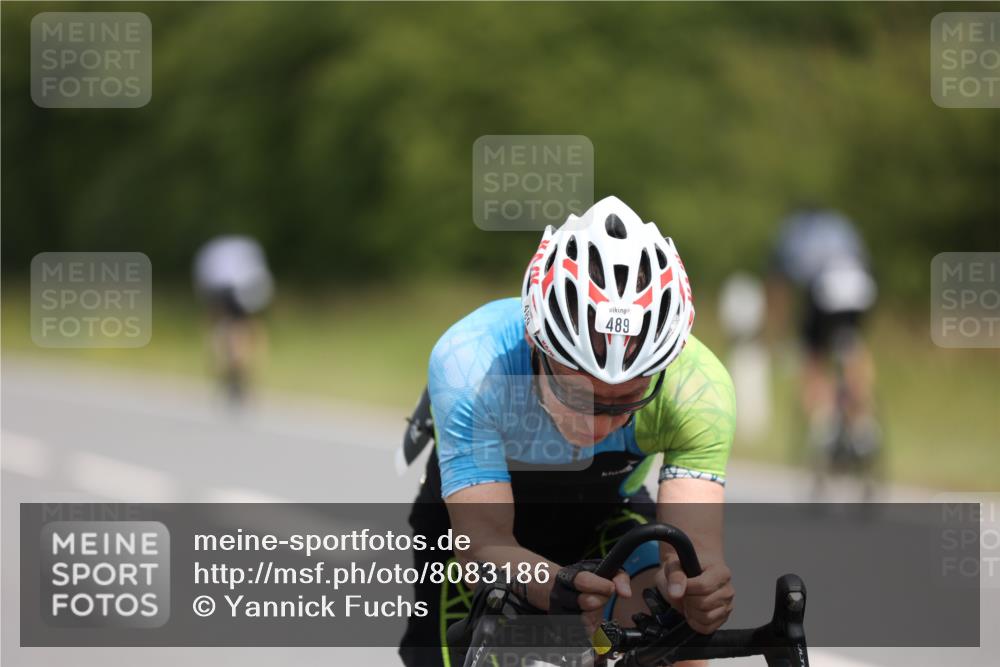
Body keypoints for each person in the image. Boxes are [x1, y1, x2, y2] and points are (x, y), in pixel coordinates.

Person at [398, 196, 736, 667]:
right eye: (579, 396)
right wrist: (551, 589)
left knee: (677, 642)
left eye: (627, 402)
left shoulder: (699, 388)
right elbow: (483, 546)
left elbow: (689, 554)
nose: (599, 423)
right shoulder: (472, 363)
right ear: (538, 349)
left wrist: (695, 592)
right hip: (479, 523)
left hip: (603, 512)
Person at [767, 208, 879, 461]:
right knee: (853, 347)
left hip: (824, 287)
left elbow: (780, 285)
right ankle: (864, 424)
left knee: (812, 355)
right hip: (860, 286)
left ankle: (824, 423)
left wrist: (782, 331)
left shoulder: (793, 230)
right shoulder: (842, 223)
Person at [192, 234, 274, 406]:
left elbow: (203, 281)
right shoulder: (248, 245)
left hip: (220, 286)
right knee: (249, 326)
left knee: (217, 325)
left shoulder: (212, 248)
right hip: (248, 286)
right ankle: (245, 369)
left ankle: (221, 366)